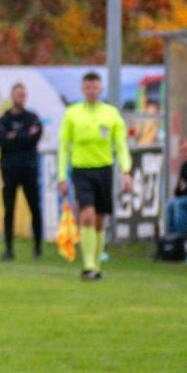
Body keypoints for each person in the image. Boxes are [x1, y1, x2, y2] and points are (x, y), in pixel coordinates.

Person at [57, 71, 133, 281]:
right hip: (81, 170)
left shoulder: (111, 114)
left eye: (95, 87)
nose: (91, 91)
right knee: (87, 215)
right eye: (88, 87)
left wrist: (126, 171)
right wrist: (62, 175)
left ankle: (97, 265)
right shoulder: (72, 114)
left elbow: (121, 145)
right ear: (82, 89)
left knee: (99, 219)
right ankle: (88, 265)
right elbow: (64, 146)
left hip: (104, 170)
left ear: (100, 89)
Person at [0, 82, 44, 260]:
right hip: (9, 171)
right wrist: (24, 135)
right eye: (17, 94)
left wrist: (15, 136)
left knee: (35, 208)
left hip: (29, 169)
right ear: (12, 96)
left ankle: (38, 247)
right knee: (9, 210)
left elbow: (34, 138)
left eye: (22, 94)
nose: (20, 97)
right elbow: (4, 142)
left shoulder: (32, 117)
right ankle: (8, 248)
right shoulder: (4, 120)